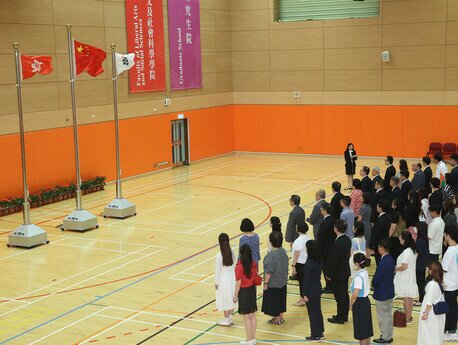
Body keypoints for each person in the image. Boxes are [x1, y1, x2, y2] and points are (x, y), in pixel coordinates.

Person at [327, 219, 351, 324]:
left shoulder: (338, 243)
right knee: (344, 294)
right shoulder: (347, 239)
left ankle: (340, 317)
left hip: (338, 273)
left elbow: (333, 261)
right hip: (345, 270)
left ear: (336, 228)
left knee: (339, 296)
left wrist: (328, 274)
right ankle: (344, 315)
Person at [262, 232, 288, 325]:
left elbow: (268, 271)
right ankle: (280, 316)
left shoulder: (271, 256)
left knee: (275, 300)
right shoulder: (283, 251)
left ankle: (277, 318)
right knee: (281, 299)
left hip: (274, 283)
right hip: (283, 281)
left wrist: (266, 284)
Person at [234, 244, 258, 345]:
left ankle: (249, 339)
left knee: (246, 317)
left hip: (244, 292)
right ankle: (253, 338)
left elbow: (238, 283)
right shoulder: (253, 264)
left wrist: (235, 295)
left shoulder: (239, 267)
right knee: (252, 315)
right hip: (252, 290)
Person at [417, 261, 446, 345]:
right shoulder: (439, 282)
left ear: (431, 271)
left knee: (427, 335)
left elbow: (429, 301)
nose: (426, 269)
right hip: (437, 313)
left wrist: (425, 313)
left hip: (431, 314)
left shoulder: (432, 284)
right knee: (435, 334)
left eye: (428, 268)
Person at [372, 240, 395, 344]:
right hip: (389, 291)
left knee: (383, 316)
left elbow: (377, 278)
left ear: (381, 248)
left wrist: (374, 285)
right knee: (388, 315)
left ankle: (385, 337)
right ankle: (389, 335)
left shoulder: (383, 262)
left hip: (382, 293)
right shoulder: (390, 259)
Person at [302, 240, 325, 341]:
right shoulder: (319, 260)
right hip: (317, 288)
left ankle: (315, 334)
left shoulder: (309, 264)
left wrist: (304, 294)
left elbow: (306, 281)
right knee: (317, 311)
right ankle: (320, 331)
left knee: (312, 313)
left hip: (310, 291)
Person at [394, 231, 418, 325]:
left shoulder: (406, 252)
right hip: (410, 276)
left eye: (400, 237)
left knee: (406, 299)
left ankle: (407, 318)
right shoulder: (412, 250)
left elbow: (404, 266)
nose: (399, 239)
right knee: (409, 298)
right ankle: (409, 316)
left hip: (405, 277)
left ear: (404, 240)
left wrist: (396, 269)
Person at [350, 253, 374, 345]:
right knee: (366, 331)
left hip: (359, 304)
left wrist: (351, 304)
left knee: (362, 333)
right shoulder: (364, 272)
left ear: (356, 264)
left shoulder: (358, 277)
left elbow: (355, 295)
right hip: (365, 302)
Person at [215, 233, 237, 326]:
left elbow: (217, 270)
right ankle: (230, 317)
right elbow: (235, 265)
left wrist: (216, 282)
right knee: (231, 297)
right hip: (232, 277)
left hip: (224, 279)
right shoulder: (233, 251)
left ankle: (226, 319)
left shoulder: (219, 255)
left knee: (225, 298)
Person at [443, 225, 458, 341]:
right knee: (453, 307)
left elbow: (443, 270)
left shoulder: (449, 252)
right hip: (455, 282)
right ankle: (452, 329)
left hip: (449, 285)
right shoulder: (457, 248)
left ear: (448, 235)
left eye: (445, 234)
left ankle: (450, 331)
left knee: (449, 309)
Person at [317, 202, 335, 293]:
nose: (320, 210)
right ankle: (331, 285)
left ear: (324, 210)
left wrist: (318, 250)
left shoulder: (324, 223)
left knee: (326, 268)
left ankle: (329, 286)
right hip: (332, 247)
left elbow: (321, 238)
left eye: (321, 209)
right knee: (331, 267)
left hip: (325, 249)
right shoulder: (333, 219)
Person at [291, 222, 310, 306]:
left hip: (300, 264)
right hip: (307, 262)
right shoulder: (308, 238)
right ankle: (306, 296)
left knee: (302, 282)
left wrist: (293, 266)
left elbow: (296, 254)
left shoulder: (298, 240)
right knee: (306, 281)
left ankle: (302, 299)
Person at [370, 200, 392, 265]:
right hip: (385, 241)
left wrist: (372, 245)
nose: (376, 207)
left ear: (380, 208)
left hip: (380, 243)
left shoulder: (380, 219)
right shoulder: (388, 216)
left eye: (377, 206)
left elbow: (376, 233)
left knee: (379, 261)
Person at [415, 222, 429, 307]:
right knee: (422, 281)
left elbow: (417, 253)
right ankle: (422, 297)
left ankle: (421, 299)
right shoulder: (425, 239)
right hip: (423, 262)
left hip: (419, 264)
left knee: (420, 282)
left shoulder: (420, 241)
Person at [357, 192, 372, 259]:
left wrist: (355, 226)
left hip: (363, 226)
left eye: (361, 197)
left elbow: (359, 219)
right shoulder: (369, 206)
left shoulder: (363, 207)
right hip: (368, 225)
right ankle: (368, 258)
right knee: (367, 244)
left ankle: (362, 258)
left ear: (364, 199)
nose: (360, 198)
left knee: (362, 243)